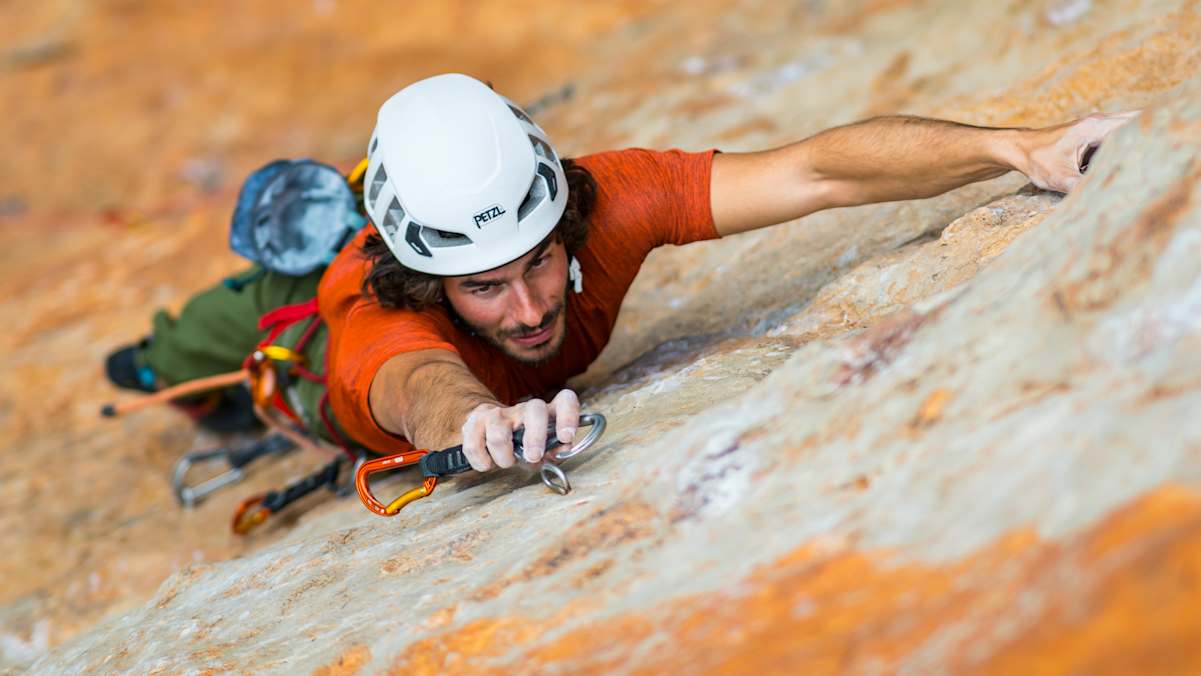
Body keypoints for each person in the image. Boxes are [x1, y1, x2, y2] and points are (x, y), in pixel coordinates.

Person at [106, 73, 1135, 474]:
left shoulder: (602, 201)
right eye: (483, 288)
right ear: (431, 287)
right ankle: (173, 373)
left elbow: (815, 168)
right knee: (168, 353)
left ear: (560, 218)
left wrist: (1023, 146)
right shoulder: (385, 331)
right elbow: (420, 387)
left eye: (539, 262)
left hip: (402, 218)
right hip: (306, 328)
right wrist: (477, 425)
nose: (531, 306)